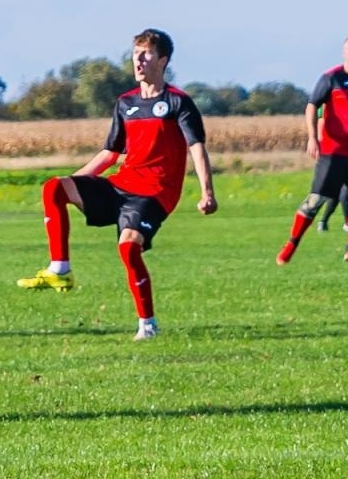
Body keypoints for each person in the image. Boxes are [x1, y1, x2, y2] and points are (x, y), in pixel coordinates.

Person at [16, 28, 218, 341]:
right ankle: (60, 269)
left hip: (153, 194)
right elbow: (111, 153)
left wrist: (207, 192)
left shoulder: (179, 102)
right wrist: (76, 180)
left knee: (128, 248)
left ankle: (147, 324)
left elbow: (196, 147)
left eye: (147, 53)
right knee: (53, 187)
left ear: (163, 60)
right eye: (136, 52)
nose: (139, 59)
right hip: (120, 185)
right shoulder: (126, 103)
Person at [276, 35, 348, 265]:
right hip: (333, 153)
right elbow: (311, 106)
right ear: (344, 52)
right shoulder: (331, 78)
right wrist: (312, 138)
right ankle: (290, 245)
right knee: (316, 200)